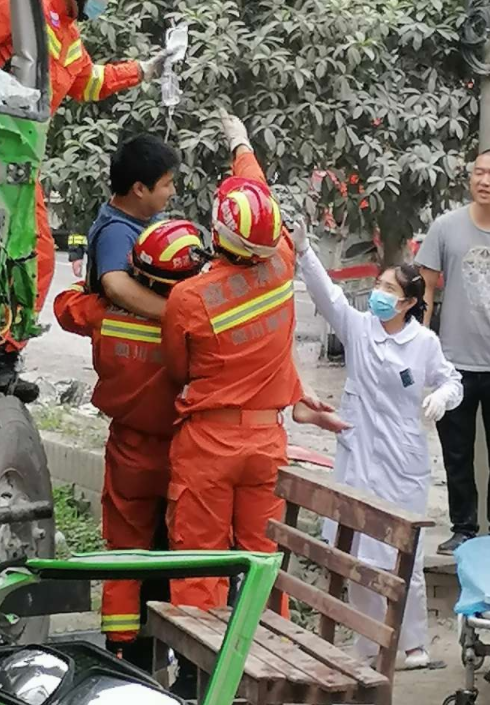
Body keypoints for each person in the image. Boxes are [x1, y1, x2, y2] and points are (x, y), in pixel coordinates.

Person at [160, 111, 347, 614]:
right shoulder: (281, 261)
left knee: (199, 568)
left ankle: (202, 678)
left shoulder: (189, 298)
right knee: (263, 564)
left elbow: (178, 373)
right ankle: (268, 672)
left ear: (217, 231)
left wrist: (238, 143)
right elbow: (256, 191)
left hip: (208, 444)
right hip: (267, 441)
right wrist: (242, 143)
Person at [0, 0, 172, 312]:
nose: (105, 4)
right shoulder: (19, 5)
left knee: (37, 255)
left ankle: (4, 346)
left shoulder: (68, 33)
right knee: (8, 251)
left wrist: (143, 71)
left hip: (19, 158)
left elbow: (87, 82)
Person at [293, 222, 463, 668]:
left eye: (390, 288)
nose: (379, 292)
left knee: (399, 549)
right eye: (379, 284)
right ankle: (367, 645)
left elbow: (452, 381)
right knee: (356, 549)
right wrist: (305, 251)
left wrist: (440, 397)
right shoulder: (359, 327)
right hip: (357, 450)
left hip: (402, 458)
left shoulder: (422, 343)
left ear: (409, 302)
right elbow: (326, 294)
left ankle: (412, 645)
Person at [54, 218, 205, 666]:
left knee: (124, 552)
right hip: (184, 452)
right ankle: (185, 652)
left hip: (128, 450)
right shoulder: (194, 323)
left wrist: (109, 287)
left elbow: (65, 306)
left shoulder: (104, 314)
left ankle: (122, 650)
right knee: (186, 555)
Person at [416, 147, 490, 553]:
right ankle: (464, 528)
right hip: (454, 365)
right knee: (456, 454)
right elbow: (425, 293)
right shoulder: (445, 228)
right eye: (479, 173)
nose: (484, 181)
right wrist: (418, 353)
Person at [86, 133, 179, 320]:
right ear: (139, 189)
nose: (172, 191)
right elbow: (116, 286)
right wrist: (180, 314)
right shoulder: (116, 232)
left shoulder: (144, 216)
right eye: (167, 184)